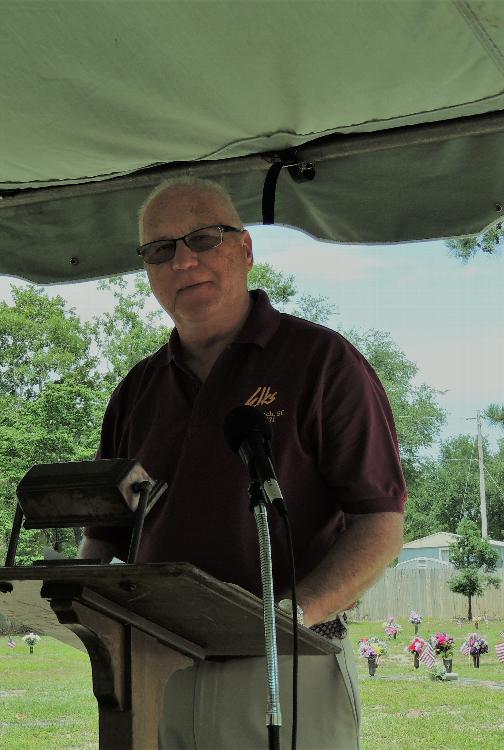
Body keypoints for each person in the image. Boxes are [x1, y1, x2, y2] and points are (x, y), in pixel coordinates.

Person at [80, 177, 406, 749]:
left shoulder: (322, 362)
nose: (183, 261)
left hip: (288, 661)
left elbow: (379, 522)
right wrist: (80, 605)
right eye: (160, 249)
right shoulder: (136, 391)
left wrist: (290, 615)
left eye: (203, 238)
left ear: (246, 249)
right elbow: (103, 537)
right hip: (158, 665)